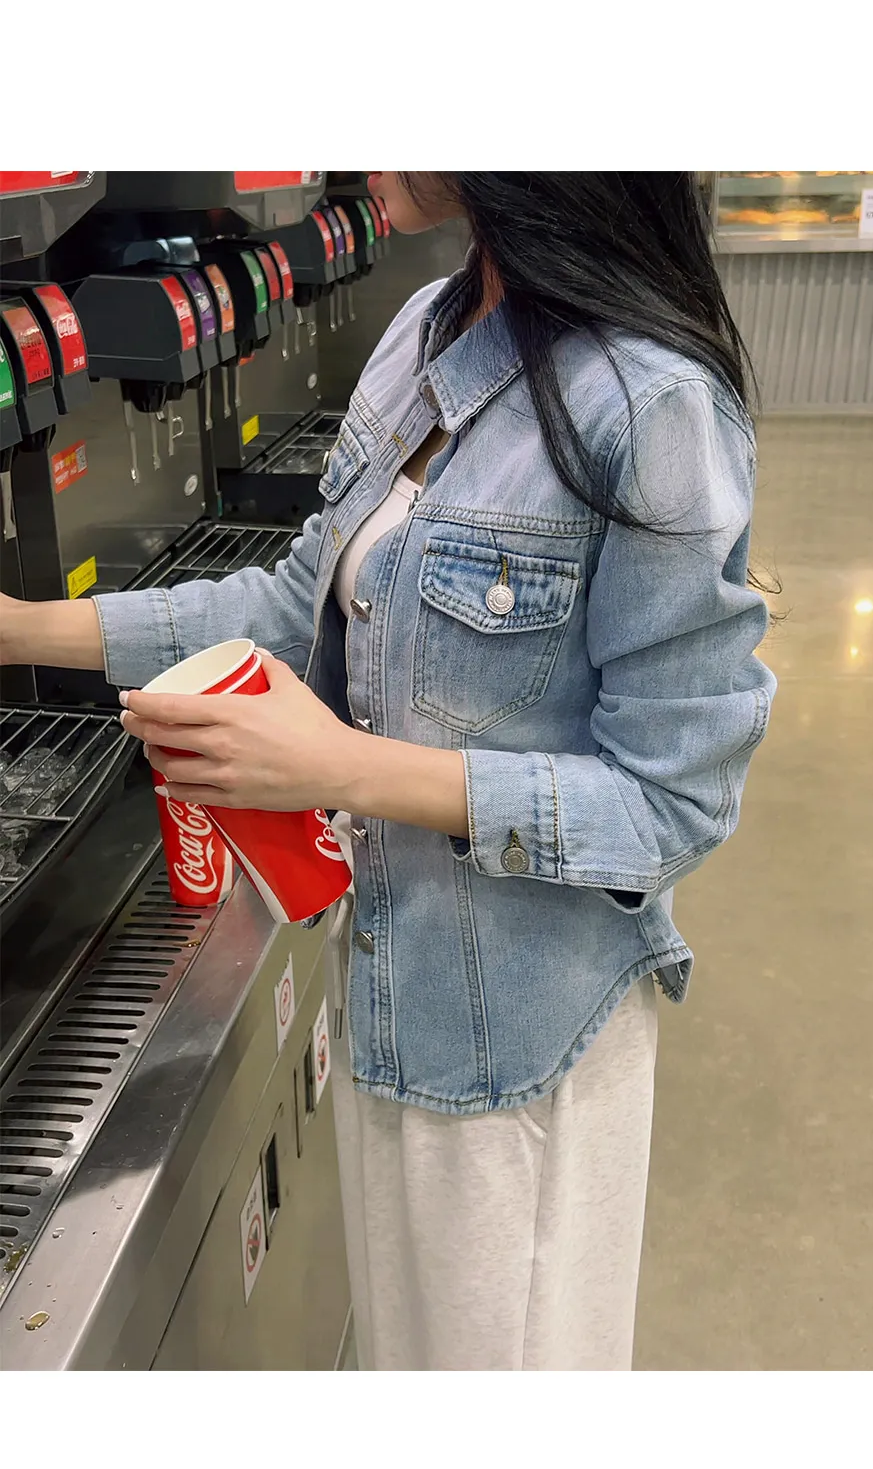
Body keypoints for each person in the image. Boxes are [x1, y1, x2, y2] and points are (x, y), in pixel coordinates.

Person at [0, 173, 776, 1375]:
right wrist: (22, 627)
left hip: (522, 1049)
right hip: (390, 989)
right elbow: (290, 602)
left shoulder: (651, 402)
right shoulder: (424, 333)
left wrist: (347, 767)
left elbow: (673, 800)